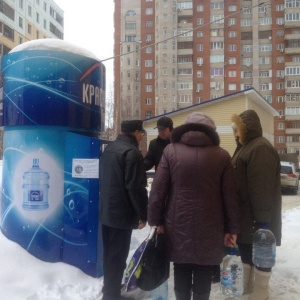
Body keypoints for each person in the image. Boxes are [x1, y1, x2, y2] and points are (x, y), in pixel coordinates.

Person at [147, 112, 239, 300]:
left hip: (177, 224)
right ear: (211, 131)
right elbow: (230, 197)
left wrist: (155, 221)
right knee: (204, 271)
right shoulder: (222, 156)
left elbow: (158, 191)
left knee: (181, 267)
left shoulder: (171, 151)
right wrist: (232, 228)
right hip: (210, 227)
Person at [231, 109, 282, 300]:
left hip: (258, 217)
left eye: (237, 129)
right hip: (246, 215)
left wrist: (262, 223)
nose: (235, 133)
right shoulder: (246, 147)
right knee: (247, 251)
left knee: (262, 254)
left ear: (246, 129)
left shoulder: (259, 148)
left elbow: (261, 187)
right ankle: (248, 286)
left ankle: (261, 293)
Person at [99, 120, 148, 300]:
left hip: (107, 212)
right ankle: (111, 296)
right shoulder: (132, 153)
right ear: (135, 132)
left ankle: (109, 290)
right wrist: (143, 214)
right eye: (141, 133)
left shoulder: (110, 149)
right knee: (117, 257)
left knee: (110, 255)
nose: (142, 137)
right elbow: (135, 188)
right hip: (121, 214)